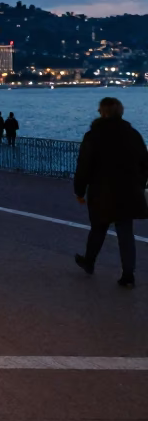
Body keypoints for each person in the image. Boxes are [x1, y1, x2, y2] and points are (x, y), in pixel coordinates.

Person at [73, 97, 148, 288]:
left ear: (101, 113)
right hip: (128, 191)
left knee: (98, 227)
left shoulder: (93, 136)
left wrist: (79, 191)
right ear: (120, 112)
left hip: (102, 191)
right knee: (125, 233)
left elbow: (84, 167)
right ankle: (128, 275)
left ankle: (89, 262)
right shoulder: (133, 134)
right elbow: (145, 164)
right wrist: (139, 184)